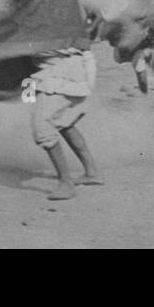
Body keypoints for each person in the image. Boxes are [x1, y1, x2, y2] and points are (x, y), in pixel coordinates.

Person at [29, 45, 103, 200]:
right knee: (63, 122)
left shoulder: (47, 26)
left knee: (42, 125)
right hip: (69, 73)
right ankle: (92, 172)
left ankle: (66, 183)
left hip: (64, 76)